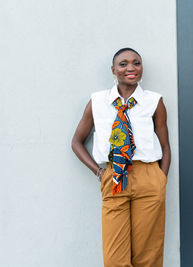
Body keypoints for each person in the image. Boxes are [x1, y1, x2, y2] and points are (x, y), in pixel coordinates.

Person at [71, 47, 170, 267]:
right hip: (114, 176)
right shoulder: (97, 101)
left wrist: (160, 178)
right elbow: (76, 142)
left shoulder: (154, 101)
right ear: (113, 70)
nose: (131, 68)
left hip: (148, 177)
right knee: (115, 258)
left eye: (136, 63)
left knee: (148, 255)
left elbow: (165, 146)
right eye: (123, 64)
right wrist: (99, 171)